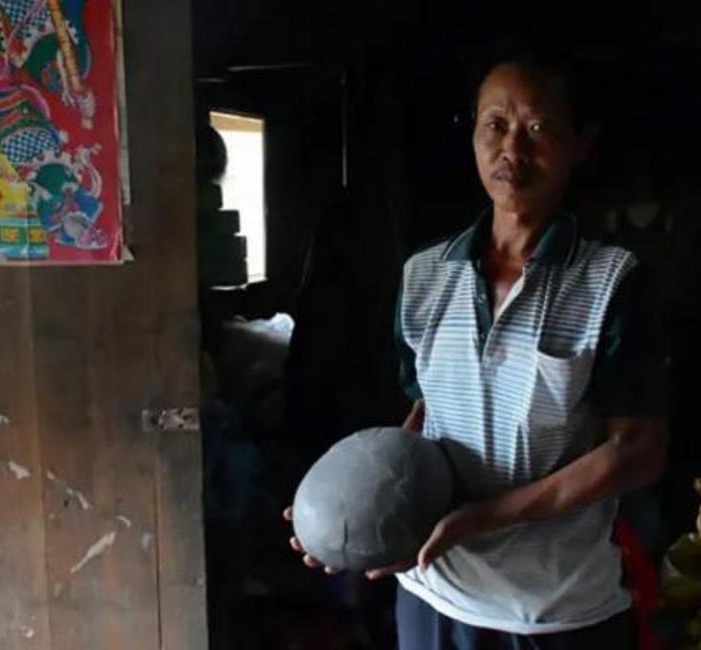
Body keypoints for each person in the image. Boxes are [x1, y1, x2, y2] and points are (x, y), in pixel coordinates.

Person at [285, 49, 667, 649]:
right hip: (433, 596)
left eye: (538, 129)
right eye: (495, 125)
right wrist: (354, 505)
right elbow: (426, 412)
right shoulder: (425, 275)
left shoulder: (612, 282)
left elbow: (638, 453)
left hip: (555, 610)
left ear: (579, 145)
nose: (511, 150)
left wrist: (485, 518)